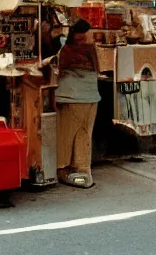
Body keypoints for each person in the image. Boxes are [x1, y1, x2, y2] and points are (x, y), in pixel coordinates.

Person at [56, 19, 100, 189]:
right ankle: (82, 168)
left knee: (66, 135)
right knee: (84, 134)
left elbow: (59, 70)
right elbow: (97, 69)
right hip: (92, 97)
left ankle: (63, 168)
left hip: (72, 97)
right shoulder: (91, 49)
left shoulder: (68, 50)